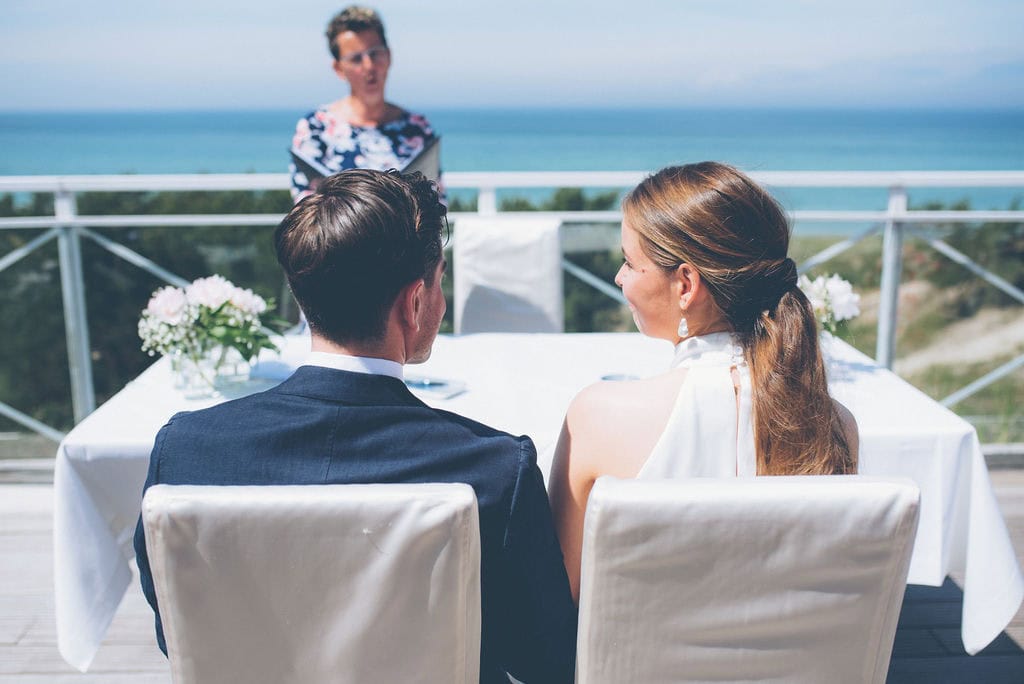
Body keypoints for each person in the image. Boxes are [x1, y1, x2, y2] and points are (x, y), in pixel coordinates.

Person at [133, 169, 577, 684]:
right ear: (415, 303)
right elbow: (544, 661)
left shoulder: (185, 450)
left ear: (304, 295)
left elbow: (179, 629)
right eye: (439, 283)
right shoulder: (495, 468)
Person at [548, 162, 859, 602]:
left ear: (686, 285)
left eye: (629, 262)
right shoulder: (834, 428)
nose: (619, 277)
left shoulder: (596, 419)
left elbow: (558, 601)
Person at [289, 6, 439, 202]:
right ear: (338, 68)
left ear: (389, 56)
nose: (369, 66)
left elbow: (436, 199)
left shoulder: (417, 128)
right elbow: (305, 209)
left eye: (375, 53)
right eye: (356, 58)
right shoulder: (316, 128)